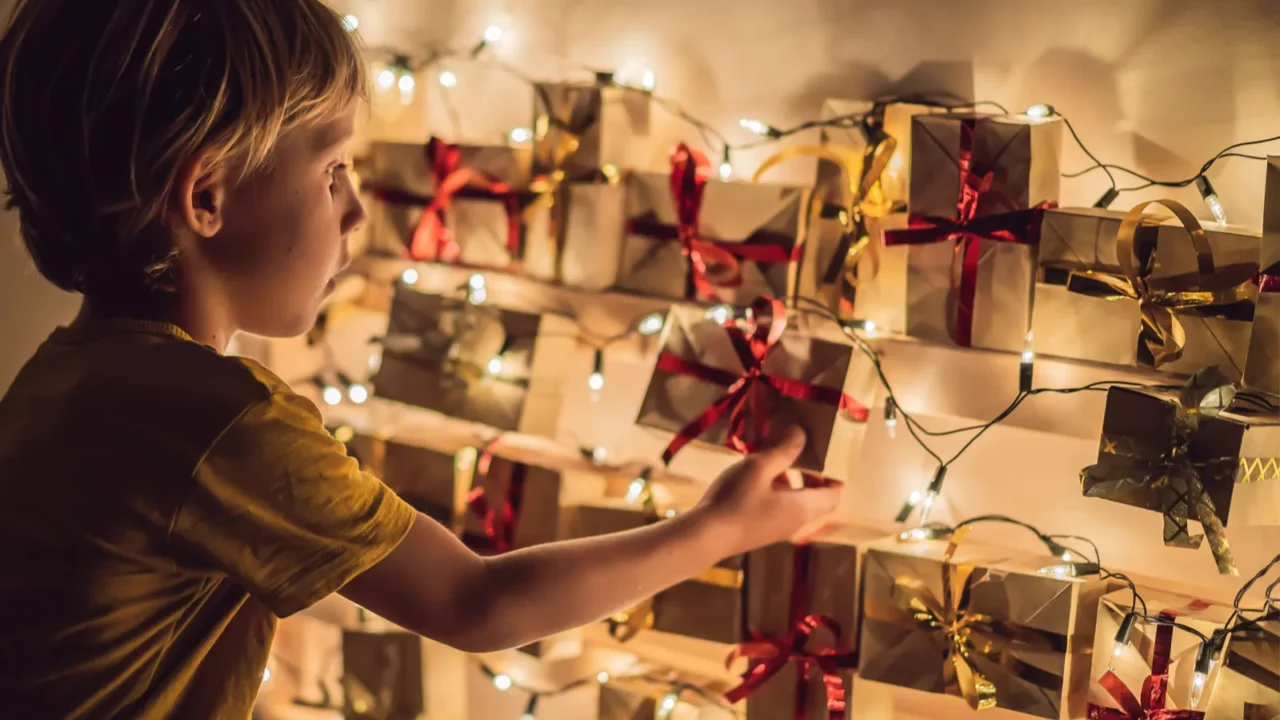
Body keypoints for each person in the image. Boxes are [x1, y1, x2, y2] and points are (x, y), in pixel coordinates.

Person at [0, 1, 843, 717]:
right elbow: (478, 603)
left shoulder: (63, 377)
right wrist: (720, 527)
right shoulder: (218, 420)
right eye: (332, 172)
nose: (358, 210)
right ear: (206, 195)